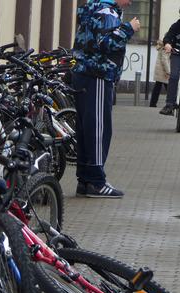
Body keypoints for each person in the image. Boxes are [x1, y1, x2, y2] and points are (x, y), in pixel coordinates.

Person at [71, 0, 139, 198]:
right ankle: (96, 182)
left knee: (85, 128)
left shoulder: (94, 8)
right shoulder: (107, 12)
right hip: (97, 75)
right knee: (99, 130)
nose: (131, 1)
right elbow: (107, 44)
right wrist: (129, 28)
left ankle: (84, 180)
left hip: (84, 74)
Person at [150, 40, 170, 107]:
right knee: (169, 88)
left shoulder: (163, 46)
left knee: (157, 88)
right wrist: (168, 72)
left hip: (160, 70)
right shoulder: (165, 48)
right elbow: (165, 60)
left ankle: (152, 104)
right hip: (163, 71)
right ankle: (171, 103)